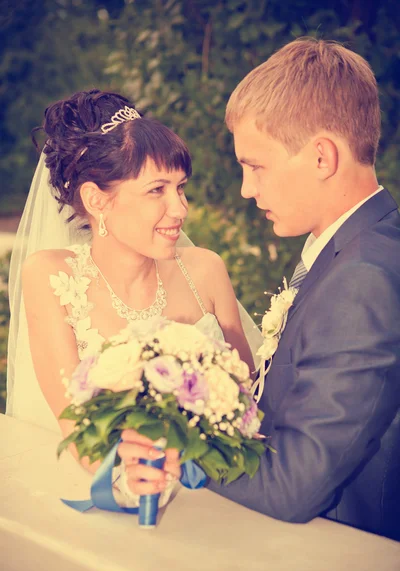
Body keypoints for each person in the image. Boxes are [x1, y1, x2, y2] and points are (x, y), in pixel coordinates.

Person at [121, 38, 400, 541]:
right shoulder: (359, 246)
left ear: (321, 157)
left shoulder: (363, 277)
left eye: (256, 166)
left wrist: (179, 444)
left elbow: (296, 485)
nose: (247, 189)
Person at [6, 90, 262, 497]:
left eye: (181, 188)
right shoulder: (50, 277)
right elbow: (77, 426)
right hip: (120, 491)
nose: (180, 209)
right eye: (156, 190)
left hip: (224, 491)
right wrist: (131, 476)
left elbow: (249, 399)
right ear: (96, 199)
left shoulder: (207, 269)